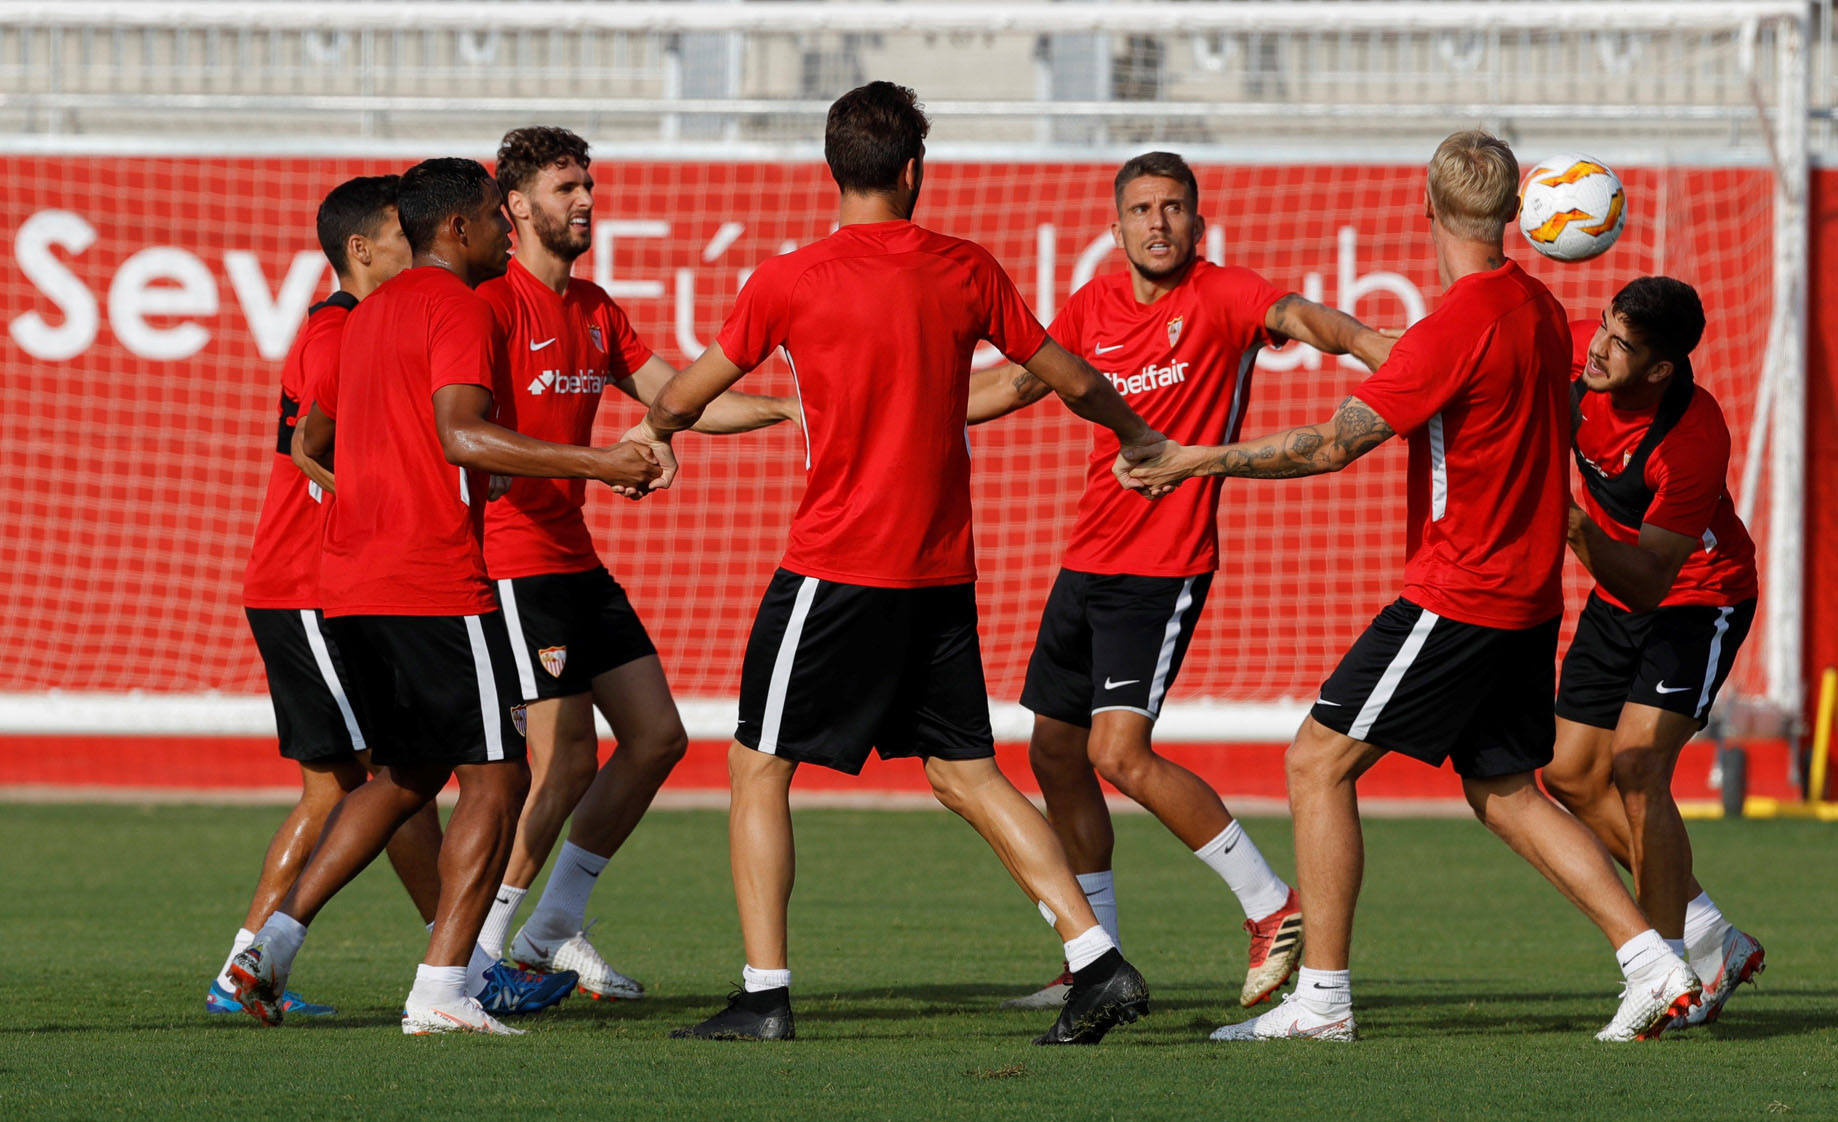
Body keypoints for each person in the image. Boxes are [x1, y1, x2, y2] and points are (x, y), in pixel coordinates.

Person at [620, 82, 1166, 1045]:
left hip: (834, 571)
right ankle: (1097, 961)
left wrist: (654, 431)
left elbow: (693, 389)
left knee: (757, 767)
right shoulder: (967, 268)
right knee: (966, 776)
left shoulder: (788, 280)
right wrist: (1138, 435)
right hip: (939, 579)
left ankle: (764, 995)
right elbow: (1068, 375)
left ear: (836, 170)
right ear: (914, 169)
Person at [1127, 130, 1699, 1043]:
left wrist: (1198, 457)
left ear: (1423, 206)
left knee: (1317, 763)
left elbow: (1329, 445)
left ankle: (1320, 1000)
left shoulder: (1453, 328)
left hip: (1460, 593)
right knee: (1506, 790)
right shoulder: (1544, 310)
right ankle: (1655, 961)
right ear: (1517, 216)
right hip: (1527, 595)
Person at [228, 157, 662, 1035]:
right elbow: (464, 433)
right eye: (495, 217)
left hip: (350, 581)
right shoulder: (459, 306)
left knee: (406, 775)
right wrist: (599, 462)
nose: (509, 229)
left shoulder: (366, 314)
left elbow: (312, 436)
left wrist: (391, 483)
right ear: (457, 230)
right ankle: (443, 992)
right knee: (501, 778)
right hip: (433, 579)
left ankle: (265, 948)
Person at [966, 150, 1393, 1011]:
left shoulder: (1224, 294)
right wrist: (894, 399)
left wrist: (1377, 344)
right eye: (1140, 209)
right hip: (1086, 559)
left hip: (1161, 568)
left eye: (1172, 208)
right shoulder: (1092, 304)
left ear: (1197, 224)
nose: (1157, 222)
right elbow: (1015, 381)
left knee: (1115, 751)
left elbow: (1309, 319)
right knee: (1053, 749)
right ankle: (1096, 960)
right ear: (1117, 226)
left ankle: (1271, 905)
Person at [473, 125, 797, 1001]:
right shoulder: (490, 306)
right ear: (516, 206)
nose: (583, 201)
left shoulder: (595, 309)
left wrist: (791, 410)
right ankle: (480, 954)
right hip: (508, 562)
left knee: (657, 737)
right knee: (564, 757)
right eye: (564, 187)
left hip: (573, 558)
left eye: (588, 184)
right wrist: (604, 462)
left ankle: (549, 929)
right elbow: (474, 446)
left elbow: (675, 400)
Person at [211, 174, 444, 1019]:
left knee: (350, 783)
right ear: (360, 249)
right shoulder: (336, 334)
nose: (412, 243)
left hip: (323, 586)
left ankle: (243, 969)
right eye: (397, 231)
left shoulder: (364, 328)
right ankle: (456, 955)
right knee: (393, 772)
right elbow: (314, 449)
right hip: (311, 586)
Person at [1540, 276, 1764, 1028]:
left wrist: (1572, 525)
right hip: (1616, 591)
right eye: (1604, 327)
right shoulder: (1583, 365)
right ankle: (1709, 937)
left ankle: (1665, 973)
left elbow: (1648, 581)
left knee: (1638, 770)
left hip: (1696, 600)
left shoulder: (1691, 439)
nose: (1599, 348)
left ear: (1661, 368)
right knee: (1568, 774)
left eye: (1623, 345)